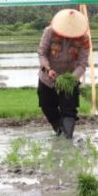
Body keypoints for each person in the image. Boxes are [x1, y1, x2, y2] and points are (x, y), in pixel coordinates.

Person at [37, 8, 90, 139]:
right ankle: (59, 129)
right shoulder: (49, 32)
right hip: (48, 77)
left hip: (70, 78)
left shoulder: (84, 38)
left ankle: (67, 138)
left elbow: (82, 63)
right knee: (46, 105)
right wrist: (48, 69)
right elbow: (42, 53)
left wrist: (72, 78)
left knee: (69, 109)